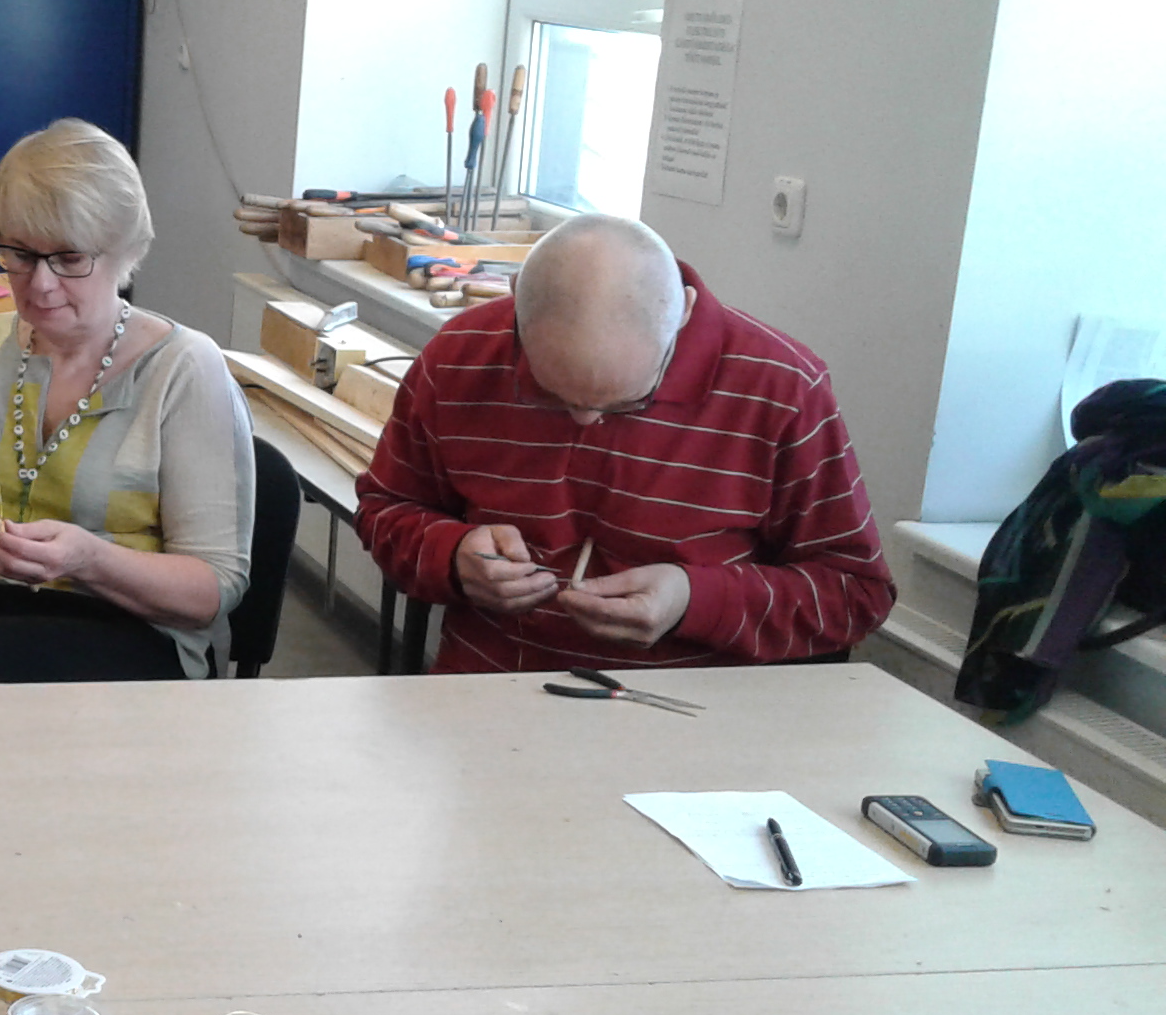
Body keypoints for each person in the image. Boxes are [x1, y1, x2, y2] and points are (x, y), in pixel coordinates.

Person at [354, 212, 893, 672]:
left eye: (626, 401)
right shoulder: (459, 356)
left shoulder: (781, 389)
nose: (585, 420)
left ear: (682, 314)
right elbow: (384, 510)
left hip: (690, 718)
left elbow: (855, 594)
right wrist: (452, 556)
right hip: (488, 695)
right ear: (516, 301)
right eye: (551, 393)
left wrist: (694, 601)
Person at [0, 119, 253, 683]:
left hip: (130, 633)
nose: (39, 284)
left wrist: (89, 560)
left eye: (68, 259)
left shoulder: (183, 369)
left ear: (124, 253)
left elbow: (214, 590)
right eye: (19, 253)